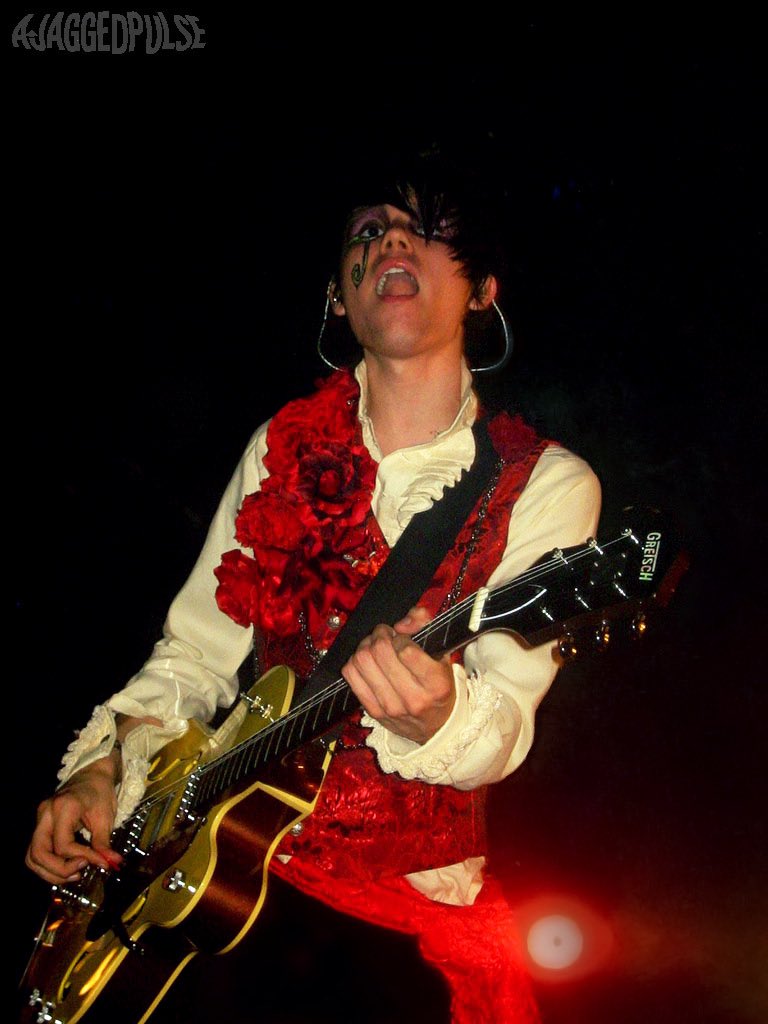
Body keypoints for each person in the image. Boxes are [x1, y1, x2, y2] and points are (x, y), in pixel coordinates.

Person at [24, 149, 601, 1023]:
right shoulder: (279, 444)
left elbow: (506, 723)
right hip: (225, 877)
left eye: (428, 227)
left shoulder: (548, 485)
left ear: (483, 290)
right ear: (338, 295)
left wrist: (439, 713)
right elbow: (194, 657)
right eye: (368, 230)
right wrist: (104, 768)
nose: (392, 240)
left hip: (389, 915)